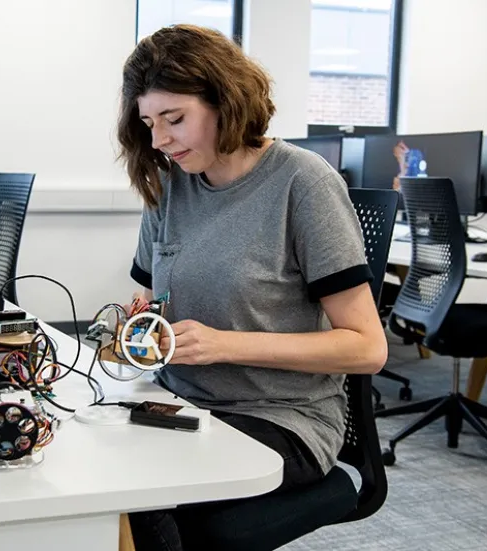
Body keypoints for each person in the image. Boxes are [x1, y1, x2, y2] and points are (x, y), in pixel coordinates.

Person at [116, 24, 388, 550]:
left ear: (227, 101)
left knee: (143, 498)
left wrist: (225, 343)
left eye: (175, 119)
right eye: (149, 122)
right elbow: (149, 303)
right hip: (184, 402)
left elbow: (368, 348)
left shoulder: (302, 183)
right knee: (94, 469)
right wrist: (137, 330)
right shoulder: (170, 186)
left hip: (283, 418)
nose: (159, 140)